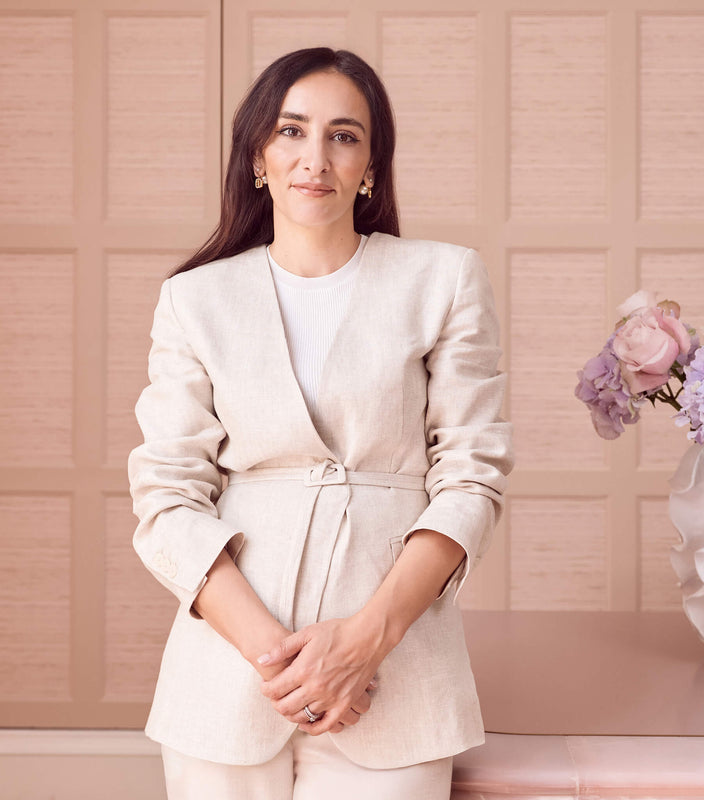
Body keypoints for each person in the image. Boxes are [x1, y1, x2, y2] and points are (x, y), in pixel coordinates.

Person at [128, 47, 513, 800]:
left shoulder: (444, 278)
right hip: (227, 680)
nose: (316, 158)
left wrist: (365, 645)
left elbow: (472, 476)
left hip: (399, 682)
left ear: (371, 165)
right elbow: (166, 497)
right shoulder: (194, 299)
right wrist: (282, 661)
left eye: (344, 135)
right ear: (258, 157)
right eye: (292, 131)